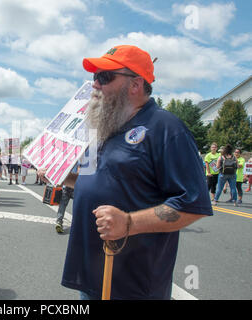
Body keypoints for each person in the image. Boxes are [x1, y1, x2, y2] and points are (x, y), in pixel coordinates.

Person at [41, 45, 213, 300]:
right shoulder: (99, 128)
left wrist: (129, 223)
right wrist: (62, 175)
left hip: (134, 283)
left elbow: (192, 205)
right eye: (94, 77)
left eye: (105, 77)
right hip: (91, 273)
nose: (95, 85)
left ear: (135, 85)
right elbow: (93, 182)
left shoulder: (166, 129)